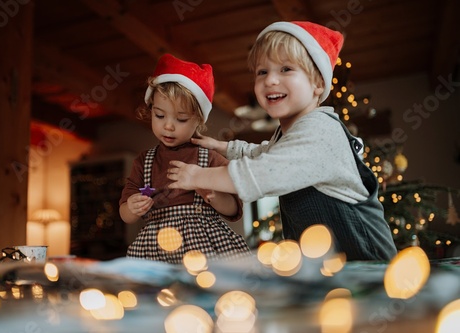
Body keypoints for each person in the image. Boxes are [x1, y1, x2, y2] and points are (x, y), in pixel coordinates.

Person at [167, 21, 397, 261]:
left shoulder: (320, 131)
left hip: (369, 266)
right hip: (330, 269)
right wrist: (224, 147)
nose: (270, 80)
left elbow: (265, 171)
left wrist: (196, 176)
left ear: (318, 83)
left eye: (286, 69)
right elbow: (267, 152)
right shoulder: (291, 134)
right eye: (262, 72)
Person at [119, 53, 250, 264]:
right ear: (151, 110)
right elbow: (125, 213)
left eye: (181, 119)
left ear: (198, 120)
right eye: (160, 116)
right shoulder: (144, 161)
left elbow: (234, 209)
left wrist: (213, 194)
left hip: (202, 248)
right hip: (156, 247)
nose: (168, 126)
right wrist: (131, 208)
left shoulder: (209, 157)